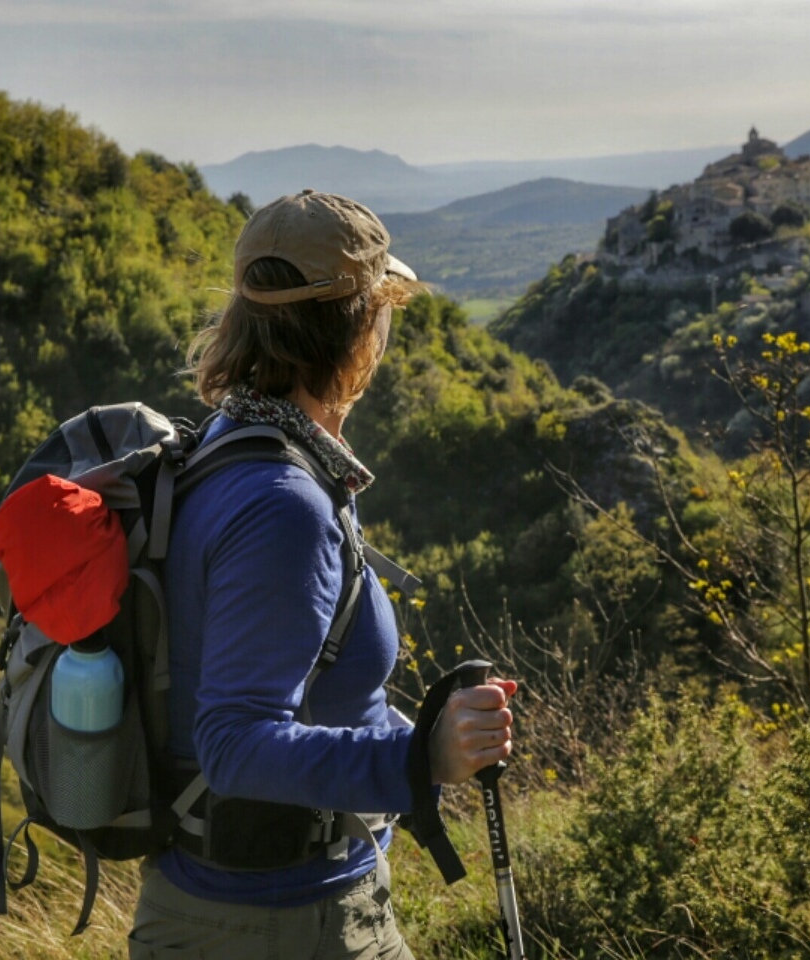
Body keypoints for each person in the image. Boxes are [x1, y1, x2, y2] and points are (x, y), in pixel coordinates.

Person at [127, 189, 517, 960]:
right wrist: (420, 760)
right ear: (359, 330)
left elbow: (309, 688)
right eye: (384, 308)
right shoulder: (283, 503)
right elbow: (234, 744)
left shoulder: (235, 447)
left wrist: (431, 739)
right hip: (276, 925)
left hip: (243, 905)